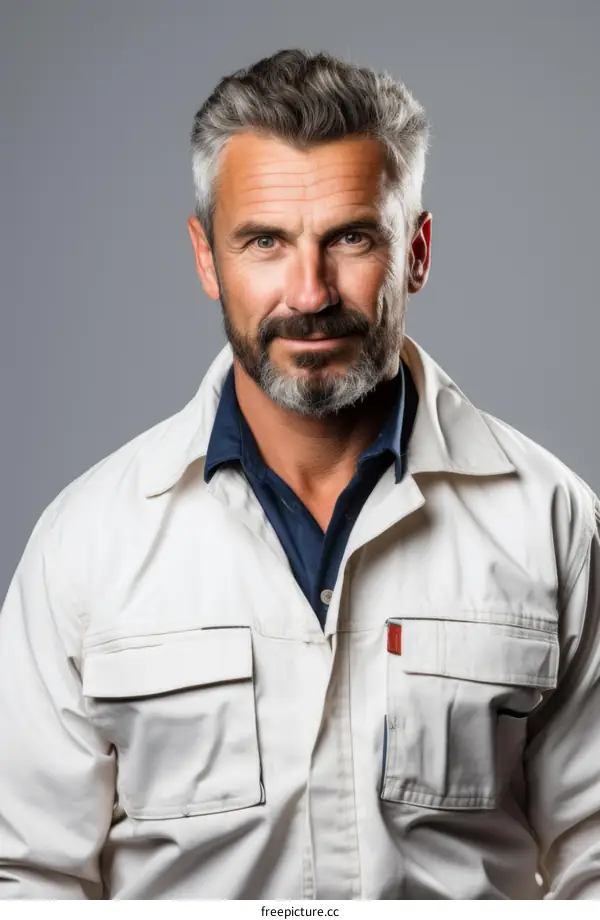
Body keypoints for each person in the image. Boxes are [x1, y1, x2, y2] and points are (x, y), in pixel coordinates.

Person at [1, 47, 599, 902]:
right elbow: (23, 876)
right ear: (207, 257)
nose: (310, 293)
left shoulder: (551, 522)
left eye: (351, 237)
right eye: (265, 242)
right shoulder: (87, 543)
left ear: (416, 251)